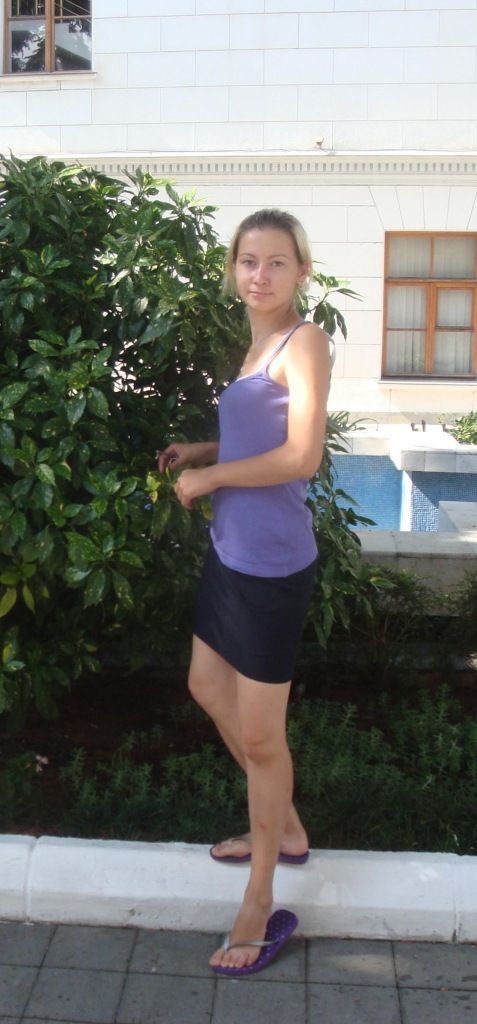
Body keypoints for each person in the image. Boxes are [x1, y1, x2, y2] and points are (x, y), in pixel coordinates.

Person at [158, 208, 332, 977]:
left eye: (276, 262)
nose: (259, 275)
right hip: (232, 551)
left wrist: (211, 476)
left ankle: (259, 899)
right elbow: (262, 433)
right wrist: (207, 448)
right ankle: (283, 827)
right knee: (205, 685)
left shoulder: (305, 341)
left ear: (301, 271)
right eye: (248, 261)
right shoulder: (258, 343)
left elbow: (301, 456)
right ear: (233, 268)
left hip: (271, 568)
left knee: (262, 740)